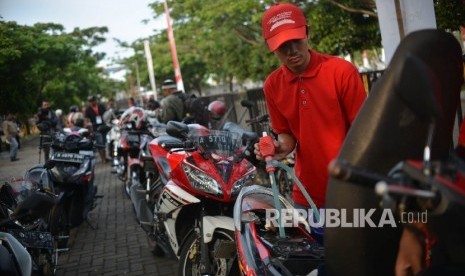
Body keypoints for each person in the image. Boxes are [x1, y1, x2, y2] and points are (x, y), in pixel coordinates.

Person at [254, 2, 367, 230]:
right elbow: (287, 134)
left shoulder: (341, 72)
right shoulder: (272, 85)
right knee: (314, 260)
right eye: (282, 46)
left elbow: (365, 133)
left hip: (349, 191)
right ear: (271, 47)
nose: (292, 50)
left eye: (296, 40)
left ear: (307, 32)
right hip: (305, 194)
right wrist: (279, 147)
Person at [84, 95, 108, 163]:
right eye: (90, 101)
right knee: (100, 143)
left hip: (103, 126)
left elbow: (106, 114)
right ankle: (103, 159)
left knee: (104, 142)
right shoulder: (88, 109)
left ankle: (105, 157)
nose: (91, 102)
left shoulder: (101, 106)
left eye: (92, 101)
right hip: (96, 128)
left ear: (95, 100)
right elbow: (86, 119)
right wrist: (88, 125)